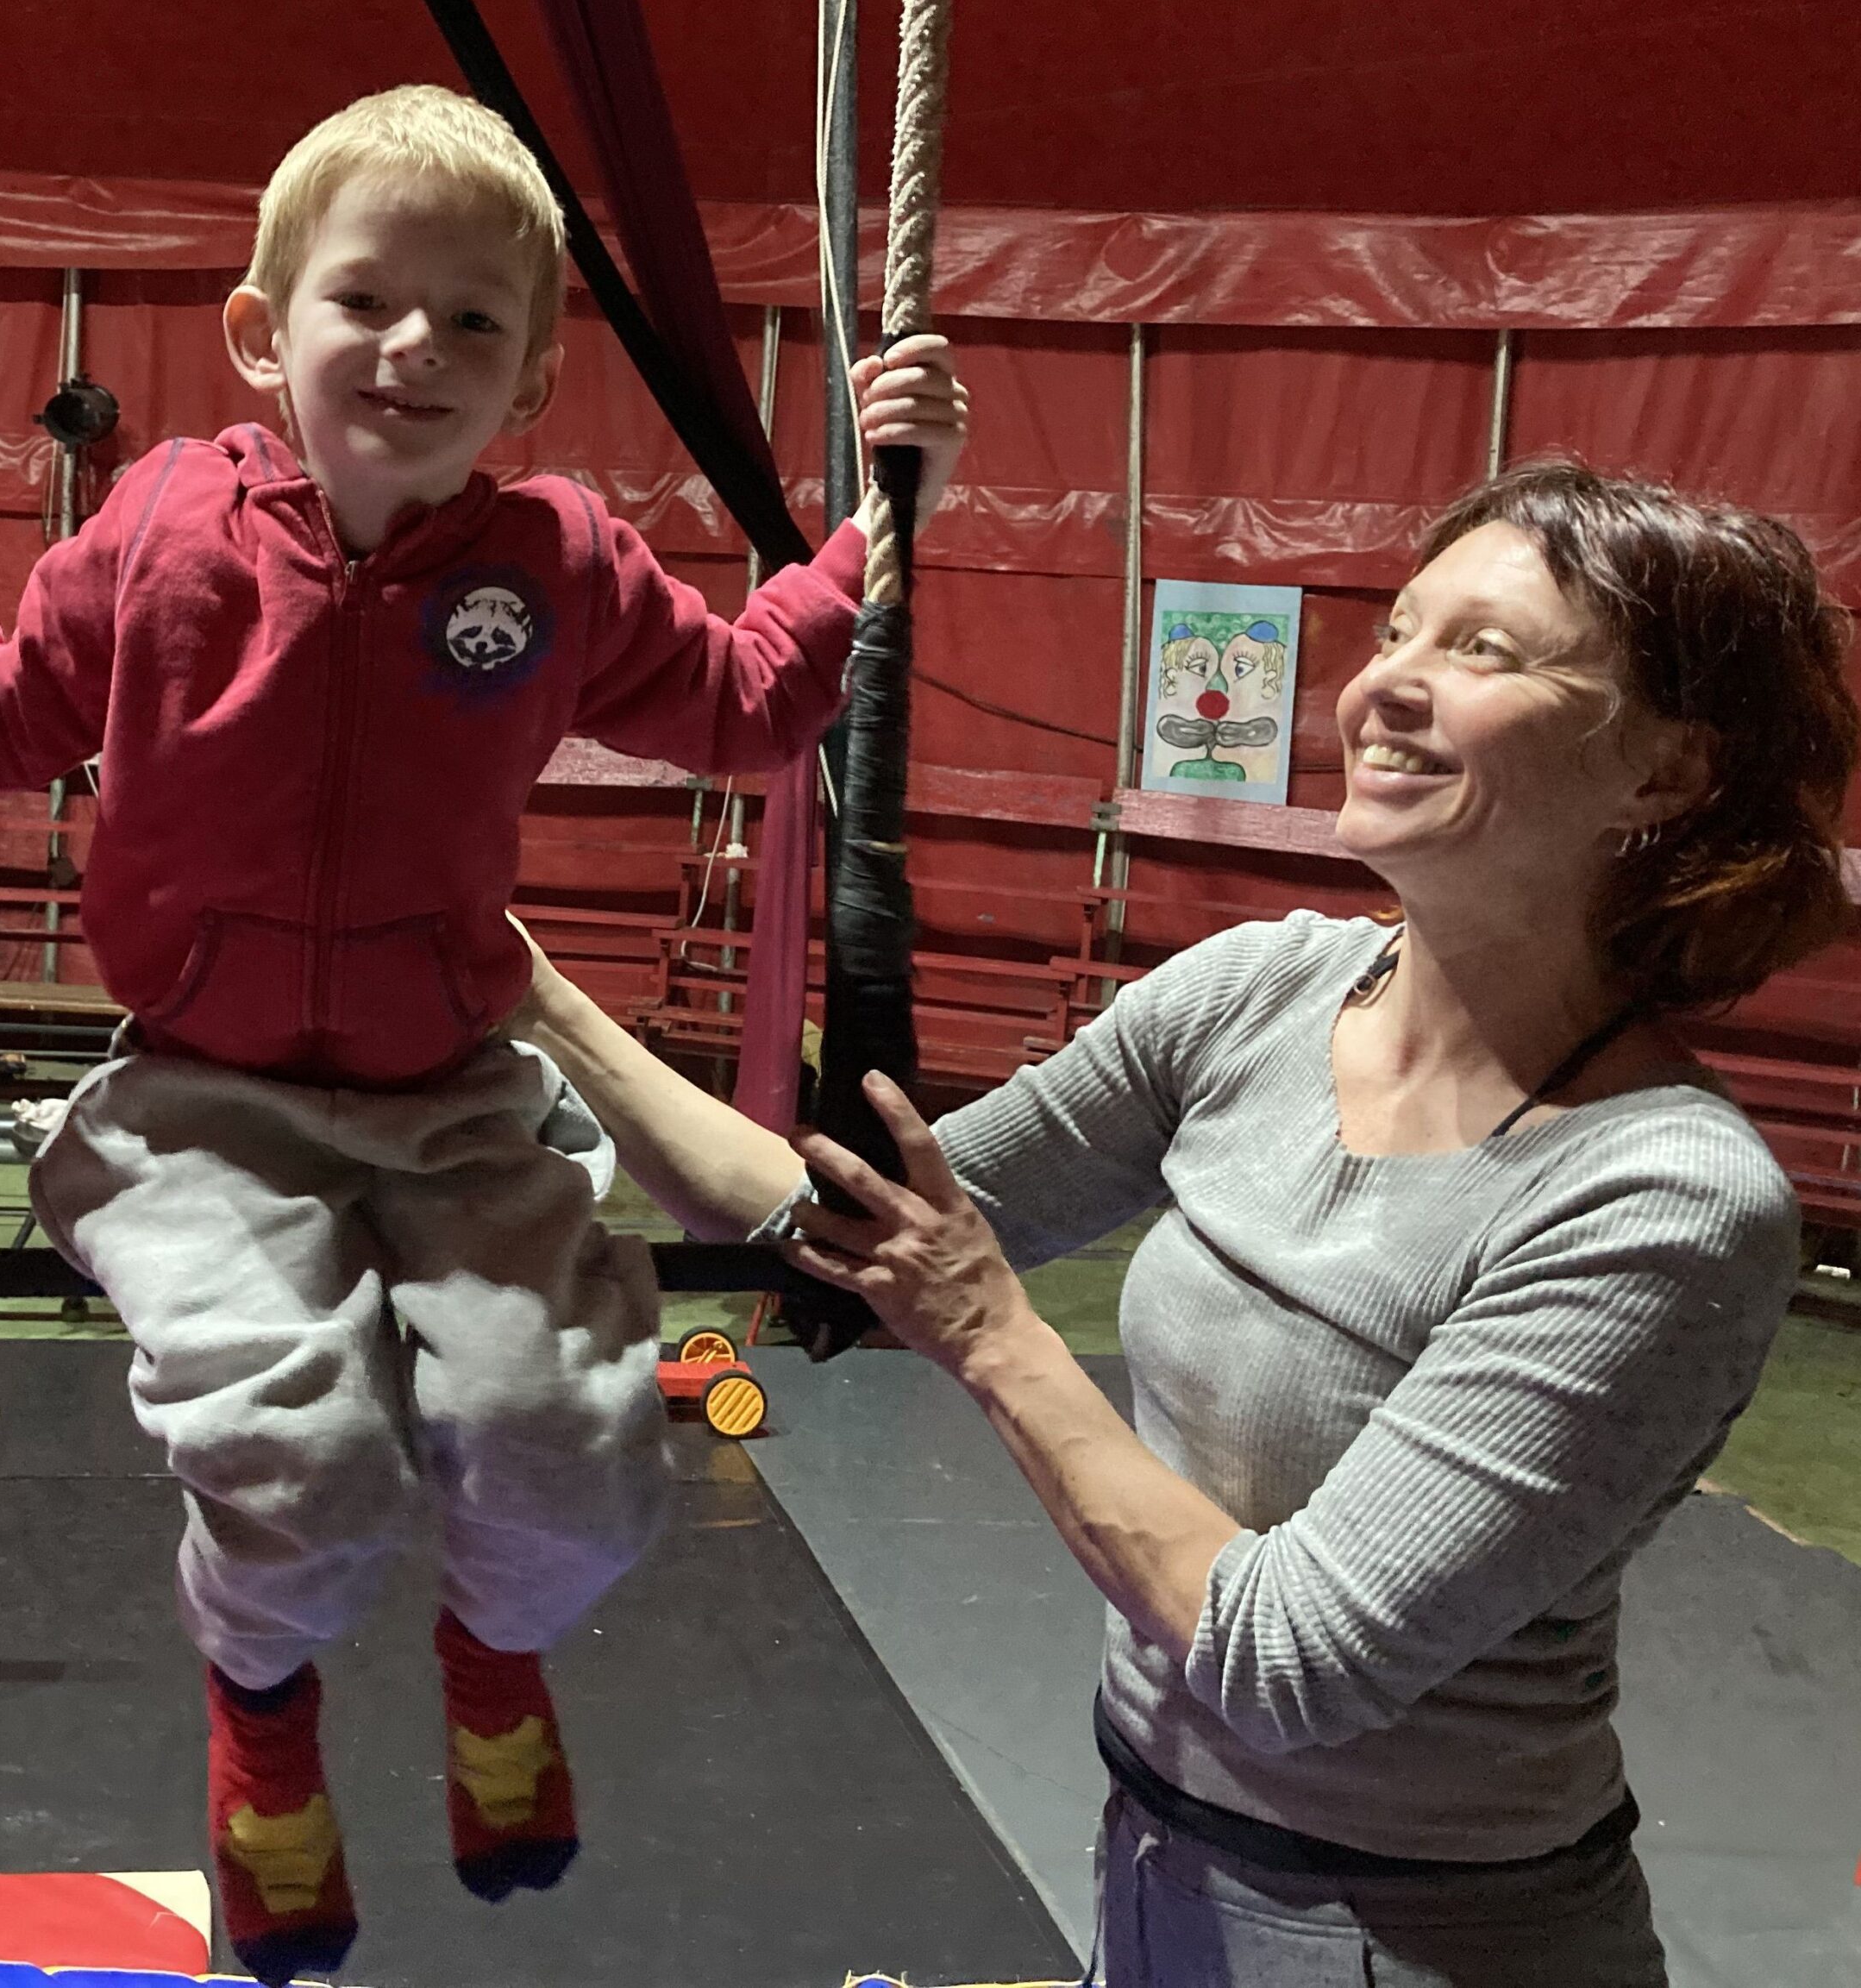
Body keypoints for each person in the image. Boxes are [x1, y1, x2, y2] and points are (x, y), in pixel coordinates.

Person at [0, 85, 968, 1986]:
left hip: (454, 1095)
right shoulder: (168, 530)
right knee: (297, 1448)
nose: (415, 346)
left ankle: (494, 1661)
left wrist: (885, 514)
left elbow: (745, 703)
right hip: (200, 1103)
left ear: (532, 379)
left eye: (472, 319)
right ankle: (263, 1717)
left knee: (568, 1443)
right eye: (366, 301)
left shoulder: (553, 563)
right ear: (265, 332)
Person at [508, 461, 1858, 1987]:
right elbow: (847, 1235)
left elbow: (1291, 1660)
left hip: (1425, 1937)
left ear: (1667, 772)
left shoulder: (1663, 1197)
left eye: (1484, 650)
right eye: (1399, 631)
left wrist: (990, 1332)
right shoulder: (1261, 992)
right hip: (1158, 1868)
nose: (1387, 686)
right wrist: (522, 983)